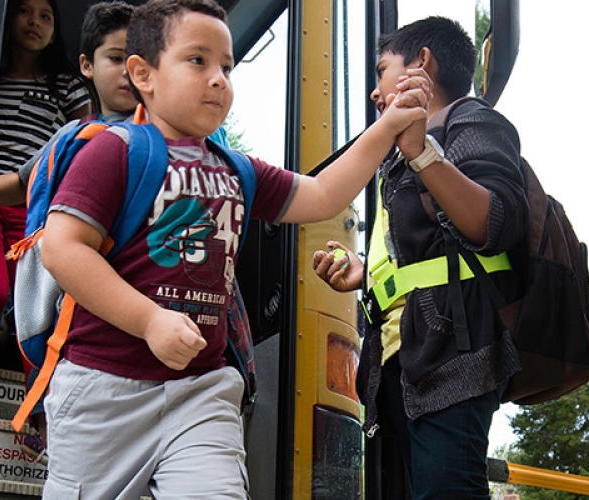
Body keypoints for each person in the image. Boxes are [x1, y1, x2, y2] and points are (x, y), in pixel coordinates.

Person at [35, 0, 431, 498]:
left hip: (202, 390)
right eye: (198, 60)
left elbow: (325, 194)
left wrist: (389, 125)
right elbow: (64, 249)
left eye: (226, 65)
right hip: (103, 387)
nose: (219, 78)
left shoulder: (238, 169)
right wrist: (149, 320)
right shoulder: (114, 150)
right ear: (144, 74)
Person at [309, 16, 530, 500]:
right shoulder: (401, 154)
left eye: (381, 70)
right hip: (403, 357)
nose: (374, 92)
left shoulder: (470, 121)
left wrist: (423, 153)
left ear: (422, 63)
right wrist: (366, 274)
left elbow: (495, 222)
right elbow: (428, 252)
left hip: (454, 352)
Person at [0, 0, 92, 364]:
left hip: (34, 206)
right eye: (25, 11)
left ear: (55, 31)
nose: (34, 22)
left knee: (35, 305)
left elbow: (82, 144)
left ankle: (38, 404)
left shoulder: (66, 86)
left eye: (46, 16)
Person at [0, 0, 138, 208]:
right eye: (115, 58)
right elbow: (23, 182)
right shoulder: (74, 134)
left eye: (137, 62)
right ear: (87, 65)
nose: (127, 71)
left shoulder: (161, 132)